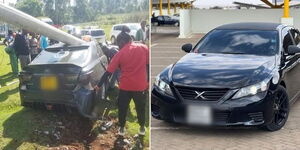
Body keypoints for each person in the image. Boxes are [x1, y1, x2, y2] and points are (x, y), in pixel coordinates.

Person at [94, 29, 149, 136]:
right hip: (140, 86)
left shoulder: (120, 54)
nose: (118, 45)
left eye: (119, 43)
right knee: (140, 108)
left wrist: (98, 85)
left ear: (122, 42)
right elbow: (148, 65)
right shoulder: (144, 48)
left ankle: (122, 129)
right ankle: (142, 128)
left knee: (122, 108)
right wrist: (148, 81)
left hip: (125, 87)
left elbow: (108, 72)